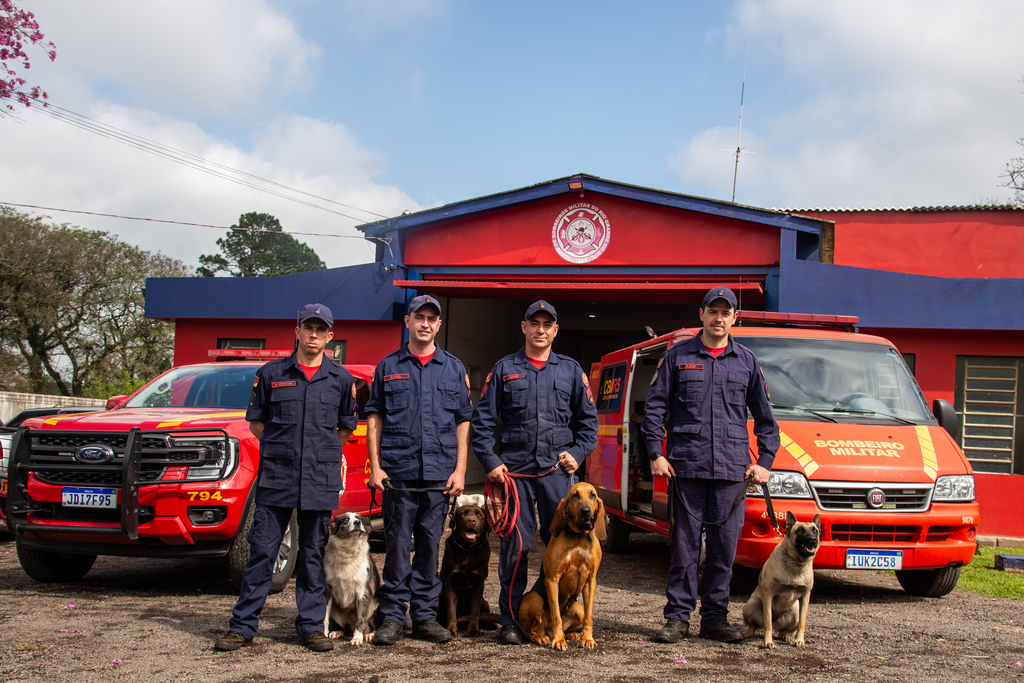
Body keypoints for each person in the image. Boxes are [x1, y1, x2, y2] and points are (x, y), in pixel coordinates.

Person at [215, 303, 358, 653]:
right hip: (277, 477)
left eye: (320, 329)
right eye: (307, 327)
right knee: (261, 552)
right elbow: (257, 423)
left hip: (318, 479)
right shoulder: (270, 374)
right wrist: (285, 449)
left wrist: (315, 452)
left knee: (311, 554)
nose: (313, 334)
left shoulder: (341, 379)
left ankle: (310, 627)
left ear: (330, 336)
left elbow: (344, 427)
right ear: (297, 331)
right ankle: (243, 626)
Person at [641, 287, 779, 643]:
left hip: (732, 471)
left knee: (723, 549)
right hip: (686, 469)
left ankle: (715, 618)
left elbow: (766, 419)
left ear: (735, 318)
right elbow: (654, 409)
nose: (719, 319)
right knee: (684, 548)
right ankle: (677, 618)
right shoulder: (677, 356)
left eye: (726, 312)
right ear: (701, 314)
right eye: (713, 312)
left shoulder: (746, 361)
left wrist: (764, 461)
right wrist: (656, 453)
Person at [471, 300, 599, 645]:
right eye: (535, 323)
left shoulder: (571, 371)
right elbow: (481, 424)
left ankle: (563, 616)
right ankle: (512, 621)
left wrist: (577, 453)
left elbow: (589, 424)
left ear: (555, 330)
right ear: (524, 327)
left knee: (566, 544)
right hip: (515, 477)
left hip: (558, 476)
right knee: (516, 547)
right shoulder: (504, 369)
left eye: (548, 324)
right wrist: (491, 460)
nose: (541, 329)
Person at [365, 294, 473, 646]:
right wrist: (376, 467)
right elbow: (374, 417)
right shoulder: (388, 366)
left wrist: (460, 470)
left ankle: (425, 616)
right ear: (408, 321)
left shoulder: (454, 368)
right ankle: (393, 616)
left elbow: (463, 421)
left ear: (439, 325)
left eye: (432, 318)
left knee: (428, 545)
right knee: (396, 545)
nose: (425, 323)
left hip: (439, 475)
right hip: (398, 473)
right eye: (419, 317)